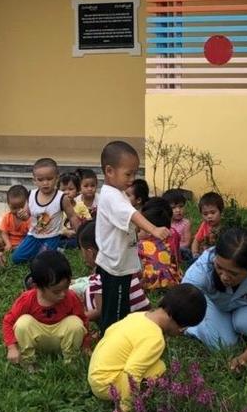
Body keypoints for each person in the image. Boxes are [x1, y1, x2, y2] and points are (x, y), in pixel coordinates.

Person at [88, 283, 207, 412]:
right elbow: (131, 372)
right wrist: (129, 410)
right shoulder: (155, 339)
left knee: (152, 364)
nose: (182, 332)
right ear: (180, 325)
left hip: (95, 374)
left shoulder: (138, 316)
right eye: (185, 328)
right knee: (159, 368)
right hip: (107, 385)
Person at [181, 227, 247, 371]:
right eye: (219, 267)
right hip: (214, 304)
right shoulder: (202, 268)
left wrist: (245, 357)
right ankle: (203, 325)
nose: (224, 276)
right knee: (223, 345)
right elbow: (181, 300)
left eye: (233, 273)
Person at [94, 141, 170, 334]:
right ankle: (110, 340)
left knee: (117, 305)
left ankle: (112, 333)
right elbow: (131, 215)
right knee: (116, 310)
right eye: (128, 174)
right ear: (109, 171)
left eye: (135, 173)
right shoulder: (112, 196)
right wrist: (154, 229)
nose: (132, 178)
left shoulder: (115, 193)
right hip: (116, 267)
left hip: (115, 262)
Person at [2, 250, 88, 365]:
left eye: (66, 288)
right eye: (56, 291)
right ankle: (29, 361)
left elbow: (83, 321)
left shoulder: (71, 297)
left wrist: (86, 346)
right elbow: (8, 321)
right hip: (37, 340)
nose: (63, 294)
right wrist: (11, 348)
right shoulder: (27, 300)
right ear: (37, 287)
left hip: (61, 339)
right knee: (23, 323)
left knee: (76, 323)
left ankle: (71, 360)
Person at [75, 221, 150, 324]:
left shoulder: (98, 277)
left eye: (83, 252)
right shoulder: (127, 266)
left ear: (90, 253)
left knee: (89, 293)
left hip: (124, 325)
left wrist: (78, 317)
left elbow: (99, 311)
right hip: (146, 318)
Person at [10, 158, 83, 264]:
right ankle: (49, 252)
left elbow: (72, 216)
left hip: (51, 237)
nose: (45, 183)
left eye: (49, 179)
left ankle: (52, 252)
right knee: (16, 258)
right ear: (34, 180)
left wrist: (81, 237)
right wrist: (22, 215)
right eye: (40, 180)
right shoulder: (31, 195)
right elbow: (27, 215)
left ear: (57, 178)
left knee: (42, 262)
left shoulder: (61, 198)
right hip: (33, 236)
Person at [137, 197, 181, 292]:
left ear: (149, 231)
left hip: (152, 282)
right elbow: (177, 257)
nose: (138, 233)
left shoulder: (141, 244)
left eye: (140, 230)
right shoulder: (171, 236)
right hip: (173, 279)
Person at [190, 191, 225, 258]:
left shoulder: (223, 226)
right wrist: (195, 253)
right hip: (203, 255)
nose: (209, 216)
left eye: (212, 212)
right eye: (205, 214)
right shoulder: (204, 225)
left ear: (221, 212)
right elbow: (196, 240)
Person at [163, 189, 193, 264]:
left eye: (181, 206)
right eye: (173, 208)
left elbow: (187, 243)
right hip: (167, 249)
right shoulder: (164, 223)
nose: (178, 210)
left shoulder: (186, 223)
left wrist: (174, 248)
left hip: (180, 249)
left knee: (186, 252)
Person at [0, 184, 31, 250]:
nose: (17, 211)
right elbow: (4, 233)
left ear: (27, 203)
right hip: (8, 242)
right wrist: (8, 243)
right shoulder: (7, 217)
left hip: (23, 244)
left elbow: (31, 235)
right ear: (8, 204)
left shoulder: (29, 219)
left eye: (21, 207)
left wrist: (22, 244)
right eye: (14, 208)